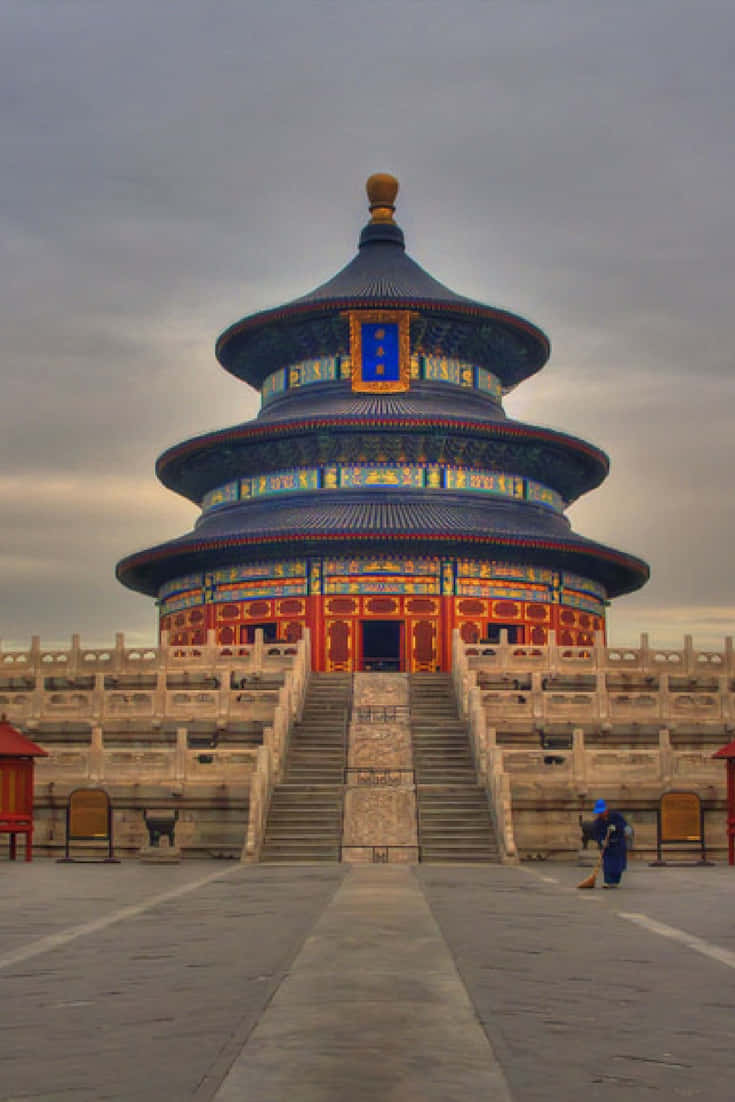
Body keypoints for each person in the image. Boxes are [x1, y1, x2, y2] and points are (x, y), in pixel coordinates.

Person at [590, 798, 631, 888]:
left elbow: (624, 825)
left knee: (618, 864)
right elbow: (596, 834)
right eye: (599, 812)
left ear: (606, 809)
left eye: (602, 811)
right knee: (608, 864)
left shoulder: (616, 816)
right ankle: (607, 881)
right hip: (608, 846)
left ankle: (615, 881)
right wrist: (601, 841)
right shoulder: (597, 822)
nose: (600, 814)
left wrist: (618, 828)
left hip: (618, 844)